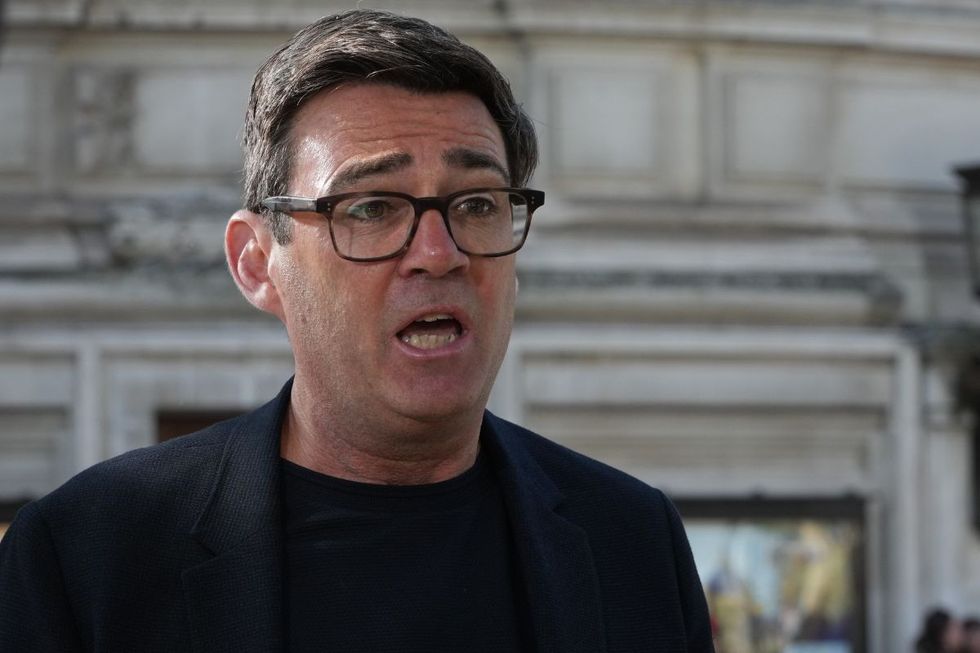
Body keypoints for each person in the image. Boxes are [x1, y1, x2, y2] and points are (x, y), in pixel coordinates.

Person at [0, 9, 713, 652]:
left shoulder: (633, 538)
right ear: (258, 263)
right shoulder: (85, 554)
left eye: (476, 202)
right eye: (372, 208)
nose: (440, 253)